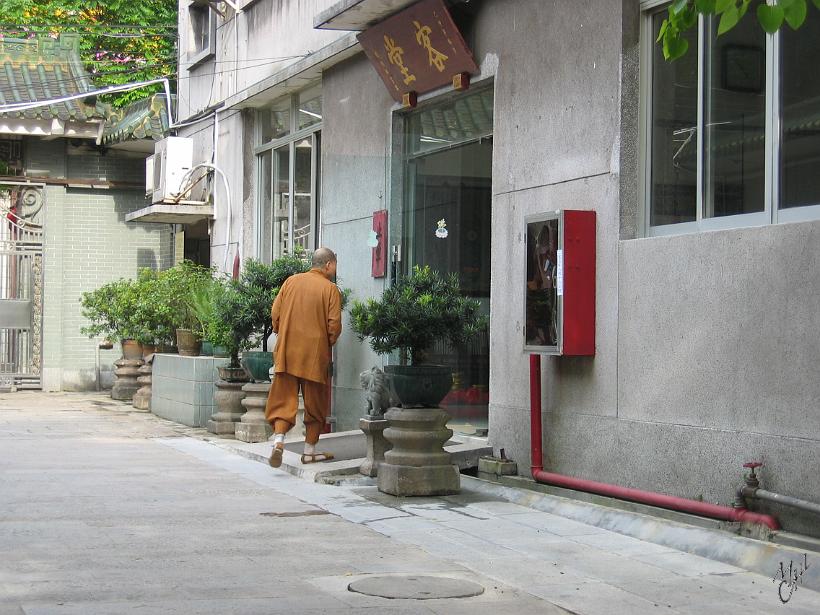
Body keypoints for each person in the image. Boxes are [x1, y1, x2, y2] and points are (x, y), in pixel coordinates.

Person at [265, 247, 342, 467]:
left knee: (282, 399)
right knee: (315, 404)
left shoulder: (291, 282)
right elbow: (334, 326)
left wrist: (283, 332)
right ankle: (309, 451)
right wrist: (327, 343)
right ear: (328, 264)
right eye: (335, 265)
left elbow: (275, 314)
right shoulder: (330, 289)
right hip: (314, 356)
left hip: (287, 352)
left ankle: (279, 440)